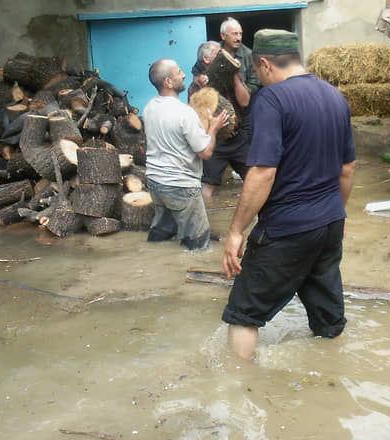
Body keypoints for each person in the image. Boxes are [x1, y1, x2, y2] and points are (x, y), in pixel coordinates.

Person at [220, 29, 357, 360]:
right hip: (329, 224)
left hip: (286, 228)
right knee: (329, 322)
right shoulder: (335, 97)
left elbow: (264, 172)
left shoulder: (271, 99)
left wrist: (237, 230)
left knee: (243, 314)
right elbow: (348, 169)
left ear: (265, 64)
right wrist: (330, 212)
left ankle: (238, 389)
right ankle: (334, 383)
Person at [142, 59, 228, 249]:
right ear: (168, 82)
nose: (183, 75)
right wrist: (213, 128)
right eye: (179, 72)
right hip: (180, 186)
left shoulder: (149, 108)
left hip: (156, 182)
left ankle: (153, 261)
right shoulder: (184, 113)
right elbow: (205, 152)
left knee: (162, 235)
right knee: (198, 244)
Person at [200, 18, 261, 202]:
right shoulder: (212, 52)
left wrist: (236, 77)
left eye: (240, 33)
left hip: (241, 125)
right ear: (223, 36)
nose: (239, 37)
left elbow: (252, 88)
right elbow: (198, 78)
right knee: (209, 183)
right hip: (216, 133)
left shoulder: (248, 56)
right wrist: (201, 80)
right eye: (235, 33)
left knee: (253, 177)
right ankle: (205, 225)